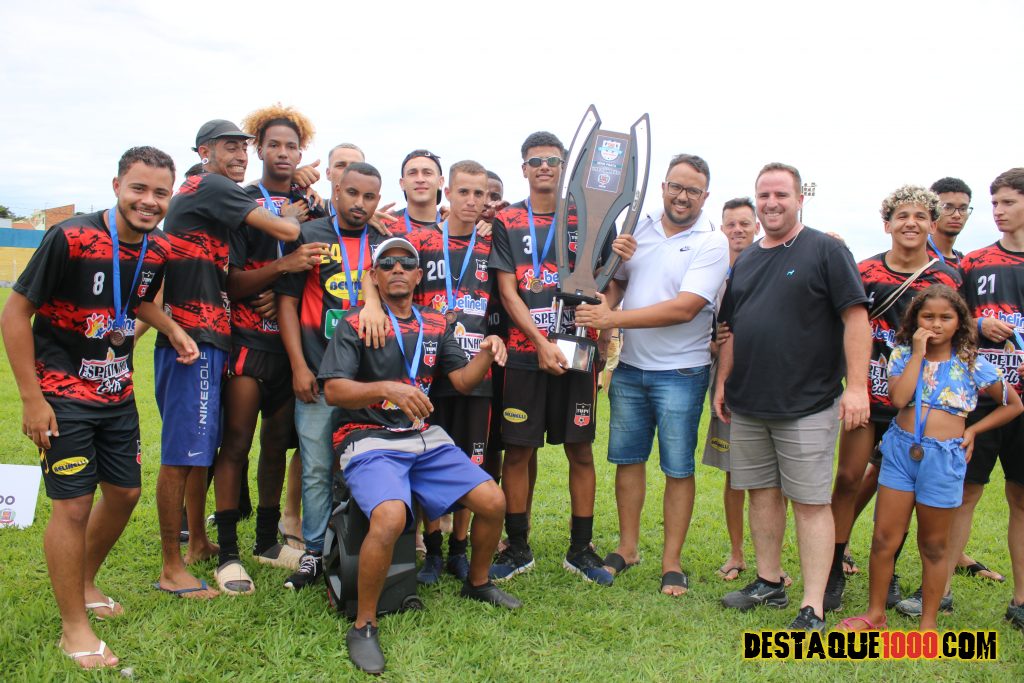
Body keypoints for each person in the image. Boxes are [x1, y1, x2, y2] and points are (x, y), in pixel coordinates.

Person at [1, 146, 198, 668]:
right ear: (116, 187)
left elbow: (137, 299)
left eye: (160, 193)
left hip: (117, 392)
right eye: (139, 188)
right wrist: (32, 399)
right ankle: (74, 630)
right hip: (61, 393)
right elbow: (15, 314)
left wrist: (173, 329)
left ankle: (85, 584)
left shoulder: (157, 248)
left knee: (126, 493)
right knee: (73, 506)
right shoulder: (70, 237)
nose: (149, 201)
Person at [319, 237, 520, 674]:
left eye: (406, 262)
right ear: (375, 276)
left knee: (493, 500)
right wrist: (385, 388)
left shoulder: (434, 323)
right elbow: (333, 390)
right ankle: (365, 624)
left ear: (417, 275)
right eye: (387, 263)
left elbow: (462, 381)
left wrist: (487, 353)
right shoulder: (355, 322)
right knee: (390, 516)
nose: (397, 268)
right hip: (366, 437)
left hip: (422, 436)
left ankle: (478, 582)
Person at [715, 162, 870, 632]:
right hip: (749, 401)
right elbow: (732, 328)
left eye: (781, 194)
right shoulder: (746, 260)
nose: (771, 203)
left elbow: (855, 319)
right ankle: (768, 581)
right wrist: (723, 383)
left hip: (808, 403)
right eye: (763, 195)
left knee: (809, 502)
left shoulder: (826, 250)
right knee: (761, 493)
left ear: (800, 199)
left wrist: (857, 387)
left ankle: (812, 605)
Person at [154, 119, 301, 599]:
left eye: (243, 147)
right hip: (195, 340)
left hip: (213, 337)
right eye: (230, 147)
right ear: (204, 152)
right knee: (191, 452)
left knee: (205, 447)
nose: (239, 155)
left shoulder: (217, 201)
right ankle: (178, 563)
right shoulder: (213, 186)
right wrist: (288, 216)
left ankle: (206, 543)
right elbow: (285, 230)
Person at [575, 154, 728, 596]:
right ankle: (627, 548)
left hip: (681, 371)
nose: (682, 196)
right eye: (675, 186)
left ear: (705, 196)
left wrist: (613, 319)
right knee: (628, 460)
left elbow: (685, 308)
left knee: (678, 468)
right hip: (631, 369)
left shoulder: (712, 241)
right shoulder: (637, 228)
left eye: (693, 190)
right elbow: (616, 283)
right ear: (662, 186)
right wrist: (610, 279)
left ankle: (671, 562)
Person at [488, 131, 635, 585]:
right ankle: (518, 547)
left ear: (567, 167)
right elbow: (507, 291)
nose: (544, 168)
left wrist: (607, 307)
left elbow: (613, 282)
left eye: (553, 160)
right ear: (524, 169)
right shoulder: (508, 219)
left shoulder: (591, 216)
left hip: (578, 350)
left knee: (580, 450)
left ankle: (580, 549)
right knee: (518, 451)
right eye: (536, 161)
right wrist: (538, 342)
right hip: (524, 354)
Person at [838, 285, 1021, 631]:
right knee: (884, 538)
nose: (936, 324)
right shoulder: (903, 354)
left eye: (945, 317)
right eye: (928, 317)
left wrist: (973, 431)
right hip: (900, 451)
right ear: (915, 320)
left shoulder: (971, 362)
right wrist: (918, 354)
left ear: (959, 322)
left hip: (944, 458)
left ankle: (928, 624)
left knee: (934, 545)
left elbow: (1013, 405)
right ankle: (875, 614)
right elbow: (898, 398)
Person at [203, 104, 330, 594]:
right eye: (273, 144)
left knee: (277, 444)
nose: (282, 152)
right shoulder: (241, 201)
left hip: (292, 348)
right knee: (236, 443)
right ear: (257, 148)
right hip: (247, 342)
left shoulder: (313, 206)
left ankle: (266, 541)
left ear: (302, 152)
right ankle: (228, 553)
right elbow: (230, 282)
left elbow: (324, 271)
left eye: (291, 146)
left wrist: (284, 294)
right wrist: (280, 271)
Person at [825, 186, 961, 613]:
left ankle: (889, 573)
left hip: (915, 405)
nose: (911, 223)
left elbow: (958, 337)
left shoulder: (946, 278)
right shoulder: (863, 271)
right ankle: (832, 567)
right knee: (849, 477)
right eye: (902, 215)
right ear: (887, 224)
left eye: (920, 216)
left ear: (932, 224)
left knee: (898, 488)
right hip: (867, 395)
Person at [276, 161, 386, 589]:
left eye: (369, 196)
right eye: (352, 193)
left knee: (362, 465)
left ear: (378, 200)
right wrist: (298, 366)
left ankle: (352, 548)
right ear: (336, 191)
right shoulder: (310, 235)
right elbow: (287, 303)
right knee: (317, 467)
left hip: (368, 380)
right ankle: (313, 552)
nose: (360, 203)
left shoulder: (383, 242)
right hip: (318, 374)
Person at [401, 160, 497, 583]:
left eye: (480, 194)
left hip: (477, 370)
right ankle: (433, 550)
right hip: (430, 370)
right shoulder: (420, 241)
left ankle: (460, 548)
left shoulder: (493, 244)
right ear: (448, 191)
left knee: (472, 461)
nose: (472, 201)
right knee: (428, 459)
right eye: (464, 192)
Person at [952, 167, 1024, 631]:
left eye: (1008, 202)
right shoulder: (975, 262)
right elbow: (949, 318)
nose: (997, 211)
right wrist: (978, 325)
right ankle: (937, 590)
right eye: (994, 202)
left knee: (1021, 498)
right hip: (978, 398)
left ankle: (1021, 600)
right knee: (965, 492)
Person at [700, 197, 761, 582]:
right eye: (730, 224)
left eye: (744, 223)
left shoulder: (771, 264)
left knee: (772, 478)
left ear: (756, 227)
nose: (737, 230)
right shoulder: (712, 271)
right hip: (725, 381)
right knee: (733, 472)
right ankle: (737, 552)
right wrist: (712, 344)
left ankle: (772, 560)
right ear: (721, 229)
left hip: (768, 381)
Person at [927, 177, 973, 266]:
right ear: (931, 210)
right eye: (948, 208)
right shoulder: (916, 257)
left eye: (963, 209)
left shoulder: (966, 263)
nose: (957, 215)